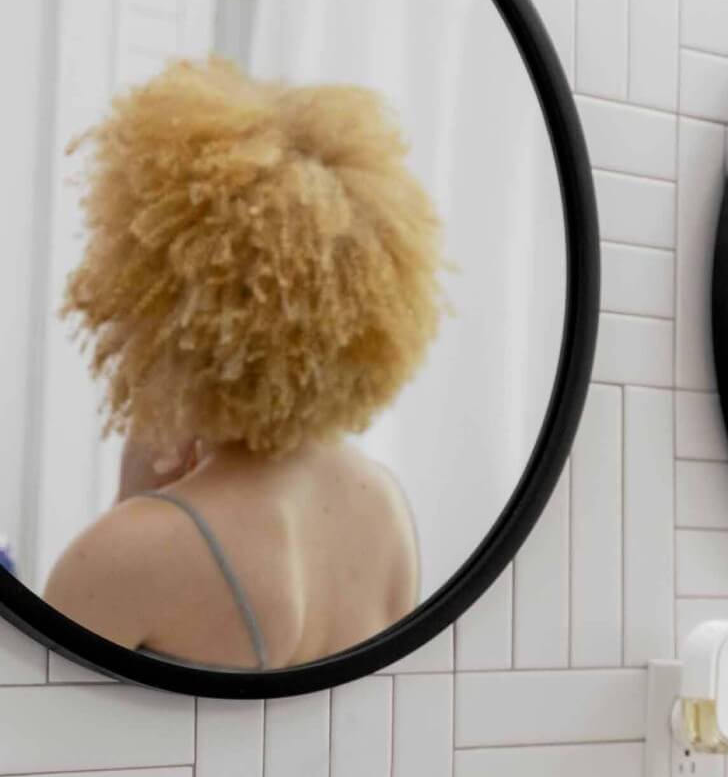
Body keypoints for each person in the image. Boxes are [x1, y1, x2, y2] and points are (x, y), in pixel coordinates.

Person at [41, 57, 439, 672]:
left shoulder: (130, 551)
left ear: (163, 303)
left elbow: (36, 741)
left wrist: (131, 505)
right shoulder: (386, 508)